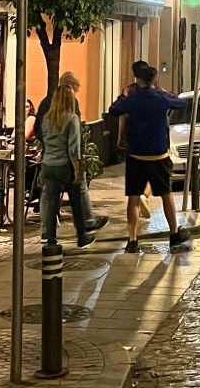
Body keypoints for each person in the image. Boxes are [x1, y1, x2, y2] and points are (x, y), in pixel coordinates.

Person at [109, 62, 191, 254]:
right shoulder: (160, 97)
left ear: (138, 79)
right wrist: (162, 91)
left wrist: (124, 96)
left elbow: (113, 110)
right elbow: (180, 103)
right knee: (166, 195)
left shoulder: (132, 98)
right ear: (153, 80)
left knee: (134, 198)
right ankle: (173, 234)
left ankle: (132, 240)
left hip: (136, 155)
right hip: (158, 155)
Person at [35, 72, 109, 233]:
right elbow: (74, 143)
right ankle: (85, 226)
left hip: (49, 160)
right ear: (70, 85)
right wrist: (78, 166)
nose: (78, 90)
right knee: (78, 190)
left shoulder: (46, 107)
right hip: (66, 160)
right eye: (77, 86)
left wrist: (48, 146)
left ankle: (47, 232)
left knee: (48, 196)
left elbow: (38, 130)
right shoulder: (71, 111)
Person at [40, 85, 95, 249]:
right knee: (76, 202)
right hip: (65, 165)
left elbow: (44, 141)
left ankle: (51, 240)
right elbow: (73, 148)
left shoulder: (46, 119)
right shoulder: (72, 119)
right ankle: (81, 236)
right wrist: (78, 171)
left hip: (48, 164)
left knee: (51, 203)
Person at [117, 61, 154, 219]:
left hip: (133, 138)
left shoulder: (128, 91)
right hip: (152, 137)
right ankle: (144, 196)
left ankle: (135, 212)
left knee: (135, 174)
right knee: (154, 172)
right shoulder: (154, 91)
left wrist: (120, 135)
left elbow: (122, 114)